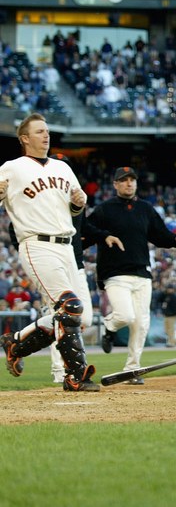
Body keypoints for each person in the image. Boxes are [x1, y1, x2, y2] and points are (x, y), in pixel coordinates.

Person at [0, 113, 99, 391]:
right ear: (24, 138)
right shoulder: (12, 167)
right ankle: (75, 375)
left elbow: (74, 208)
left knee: (80, 317)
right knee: (70, 307)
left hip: (67, 246)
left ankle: (16, 344)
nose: (46, 135)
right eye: (39, 131)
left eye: (47, 131)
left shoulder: (62, 167)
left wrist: (78, 203)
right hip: (37, 244)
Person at [88, 166, 176, 385]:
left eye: (132, 179)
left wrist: (175, 239)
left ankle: (132, 369)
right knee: (125, 316)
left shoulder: (145, 208)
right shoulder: (104, 209)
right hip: (115, 273)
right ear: (115, 184)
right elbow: (87, 230)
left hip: (142, 272)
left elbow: (159, 235)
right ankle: (109, 326)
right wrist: (104, 235)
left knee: (141, 324)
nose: (129, 183)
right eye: (123, 180)